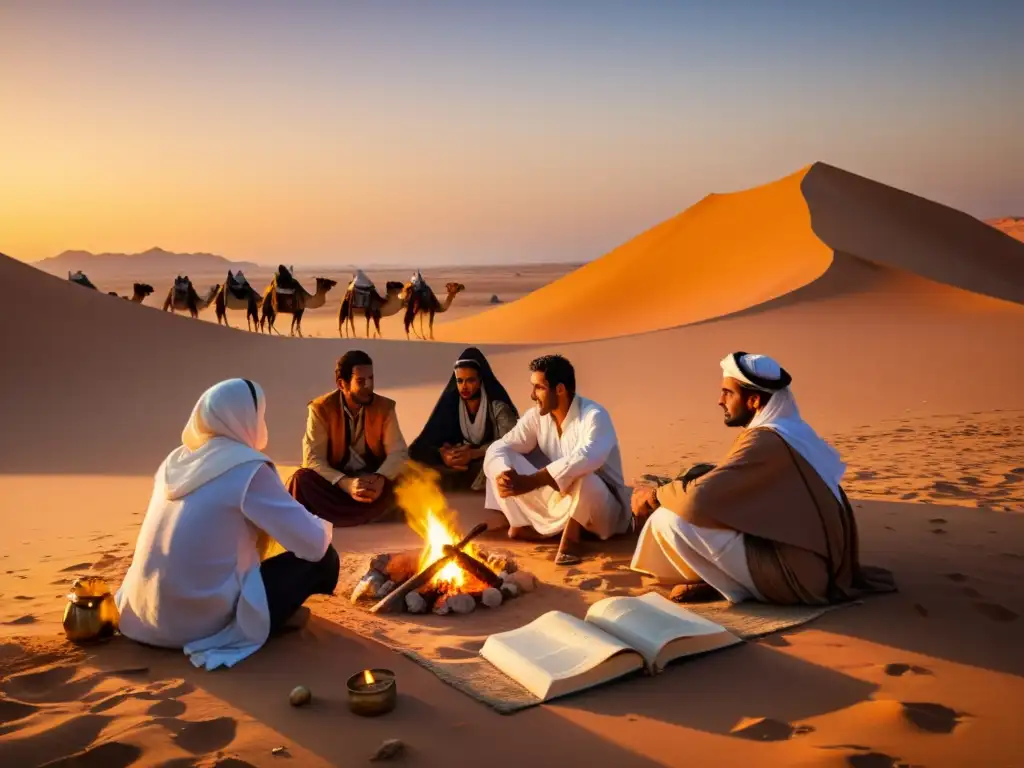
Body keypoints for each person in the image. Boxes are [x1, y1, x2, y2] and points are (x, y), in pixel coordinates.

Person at [630, 352, 896, 605]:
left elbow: (697, 501)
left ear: (754, 401)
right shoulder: (793, 432)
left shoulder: (766, 440)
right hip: (817, 568)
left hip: (798, 579)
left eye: (728, 392)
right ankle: (724, 582)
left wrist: (654, 496)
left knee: (670, 519)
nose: (720, 400)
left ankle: (729, 586)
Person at [115, 378, 339, 671]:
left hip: (142, 617)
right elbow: (312, 544)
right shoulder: (246, 467)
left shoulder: (175, 461)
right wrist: (318, 524)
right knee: (325, 560)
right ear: (247, 418)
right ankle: (267, 619)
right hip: (200, 625)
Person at [483, 354, 632, 565]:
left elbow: (588, 456)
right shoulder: (536, 417)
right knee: (501, 456)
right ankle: (525, 525)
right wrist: (503, 474)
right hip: (562, 499)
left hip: (604, 512)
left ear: (560, 389)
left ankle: (572, 539)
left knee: (584, 476)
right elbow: (502, 446)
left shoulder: (594, 415)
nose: (532, 395)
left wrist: (532, 481)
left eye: (539, 388)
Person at [287, 350, 409, 525]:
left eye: (371, 379)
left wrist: (380, 479)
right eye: (361, 381)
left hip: (372, 484)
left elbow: (398, 452)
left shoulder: (385, 407)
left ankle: (354, 516)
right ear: (341, 384)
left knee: (409, 475)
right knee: (301, 480)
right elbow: (313, 459)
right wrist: (346, 483)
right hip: (337, 485)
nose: (369, 386)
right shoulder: (321, 409)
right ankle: (369, 516)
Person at [409, 347, 519, 491]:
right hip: (460, 463)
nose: (464, 387)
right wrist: (443, 454)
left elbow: (511, 442)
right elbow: (422, 444)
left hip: (485, 460)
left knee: (500, 464)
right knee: (414, 464)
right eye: (460, 381)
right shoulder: (451, 405)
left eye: (470, 380)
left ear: (480, 380)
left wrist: (474, 454)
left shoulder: (497, 407)